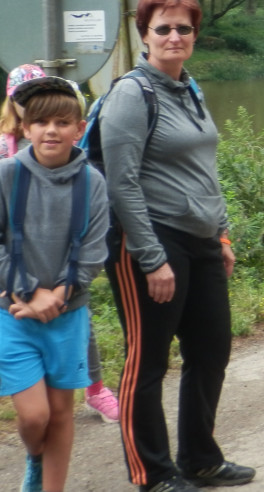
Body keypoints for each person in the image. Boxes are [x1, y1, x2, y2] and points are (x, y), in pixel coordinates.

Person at [102, 0, 254, 490]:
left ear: (194, 34)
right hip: (151, 240)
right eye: (163, 28)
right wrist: (151, 259)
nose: (174, 36)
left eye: (183, 28)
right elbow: (121, 184)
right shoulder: (131, 94)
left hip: (201, 240)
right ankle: (152, 473)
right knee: (147, 361)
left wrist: (222, 234)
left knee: (210, 351)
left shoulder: (190, 88)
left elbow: (203, 168)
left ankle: (200, 459)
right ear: (144, 34)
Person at [0, 76, 108, 492]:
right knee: (34, 416)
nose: (51, 131)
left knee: (61, 413)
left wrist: (57, 297)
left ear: (78, 129)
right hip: (13, 313)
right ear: (25, 128)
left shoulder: (92, 182)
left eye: (62, 123)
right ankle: (34, 455)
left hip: (68, 314)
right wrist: (31, 294)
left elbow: (92, 252)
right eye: (41, 122)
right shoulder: (7, 175)